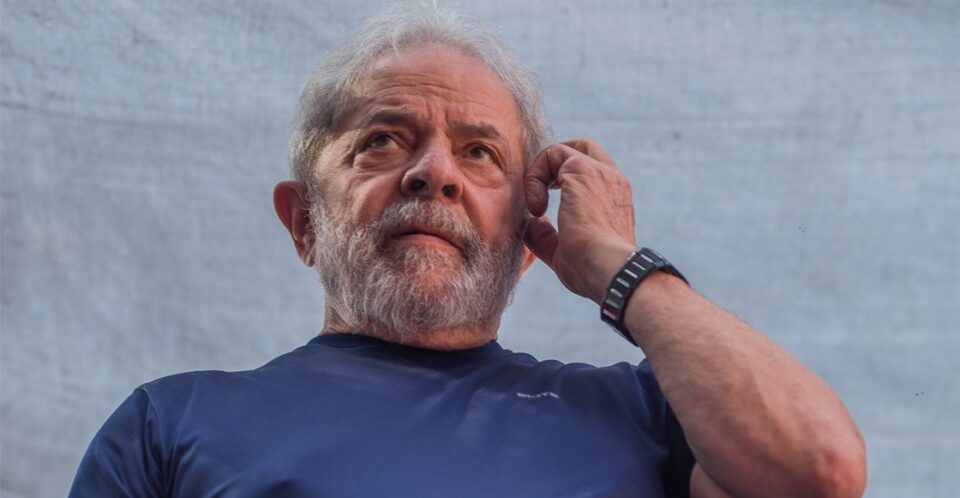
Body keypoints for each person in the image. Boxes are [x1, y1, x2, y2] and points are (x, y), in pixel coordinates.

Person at [70, 4, 866, 497]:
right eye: (384, 139)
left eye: (480, 152)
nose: (435, 173)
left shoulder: (643, 414)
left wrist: (620, 269)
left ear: (526, 244)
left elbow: (818, 470)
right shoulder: (169, 426)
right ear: (304, 221)